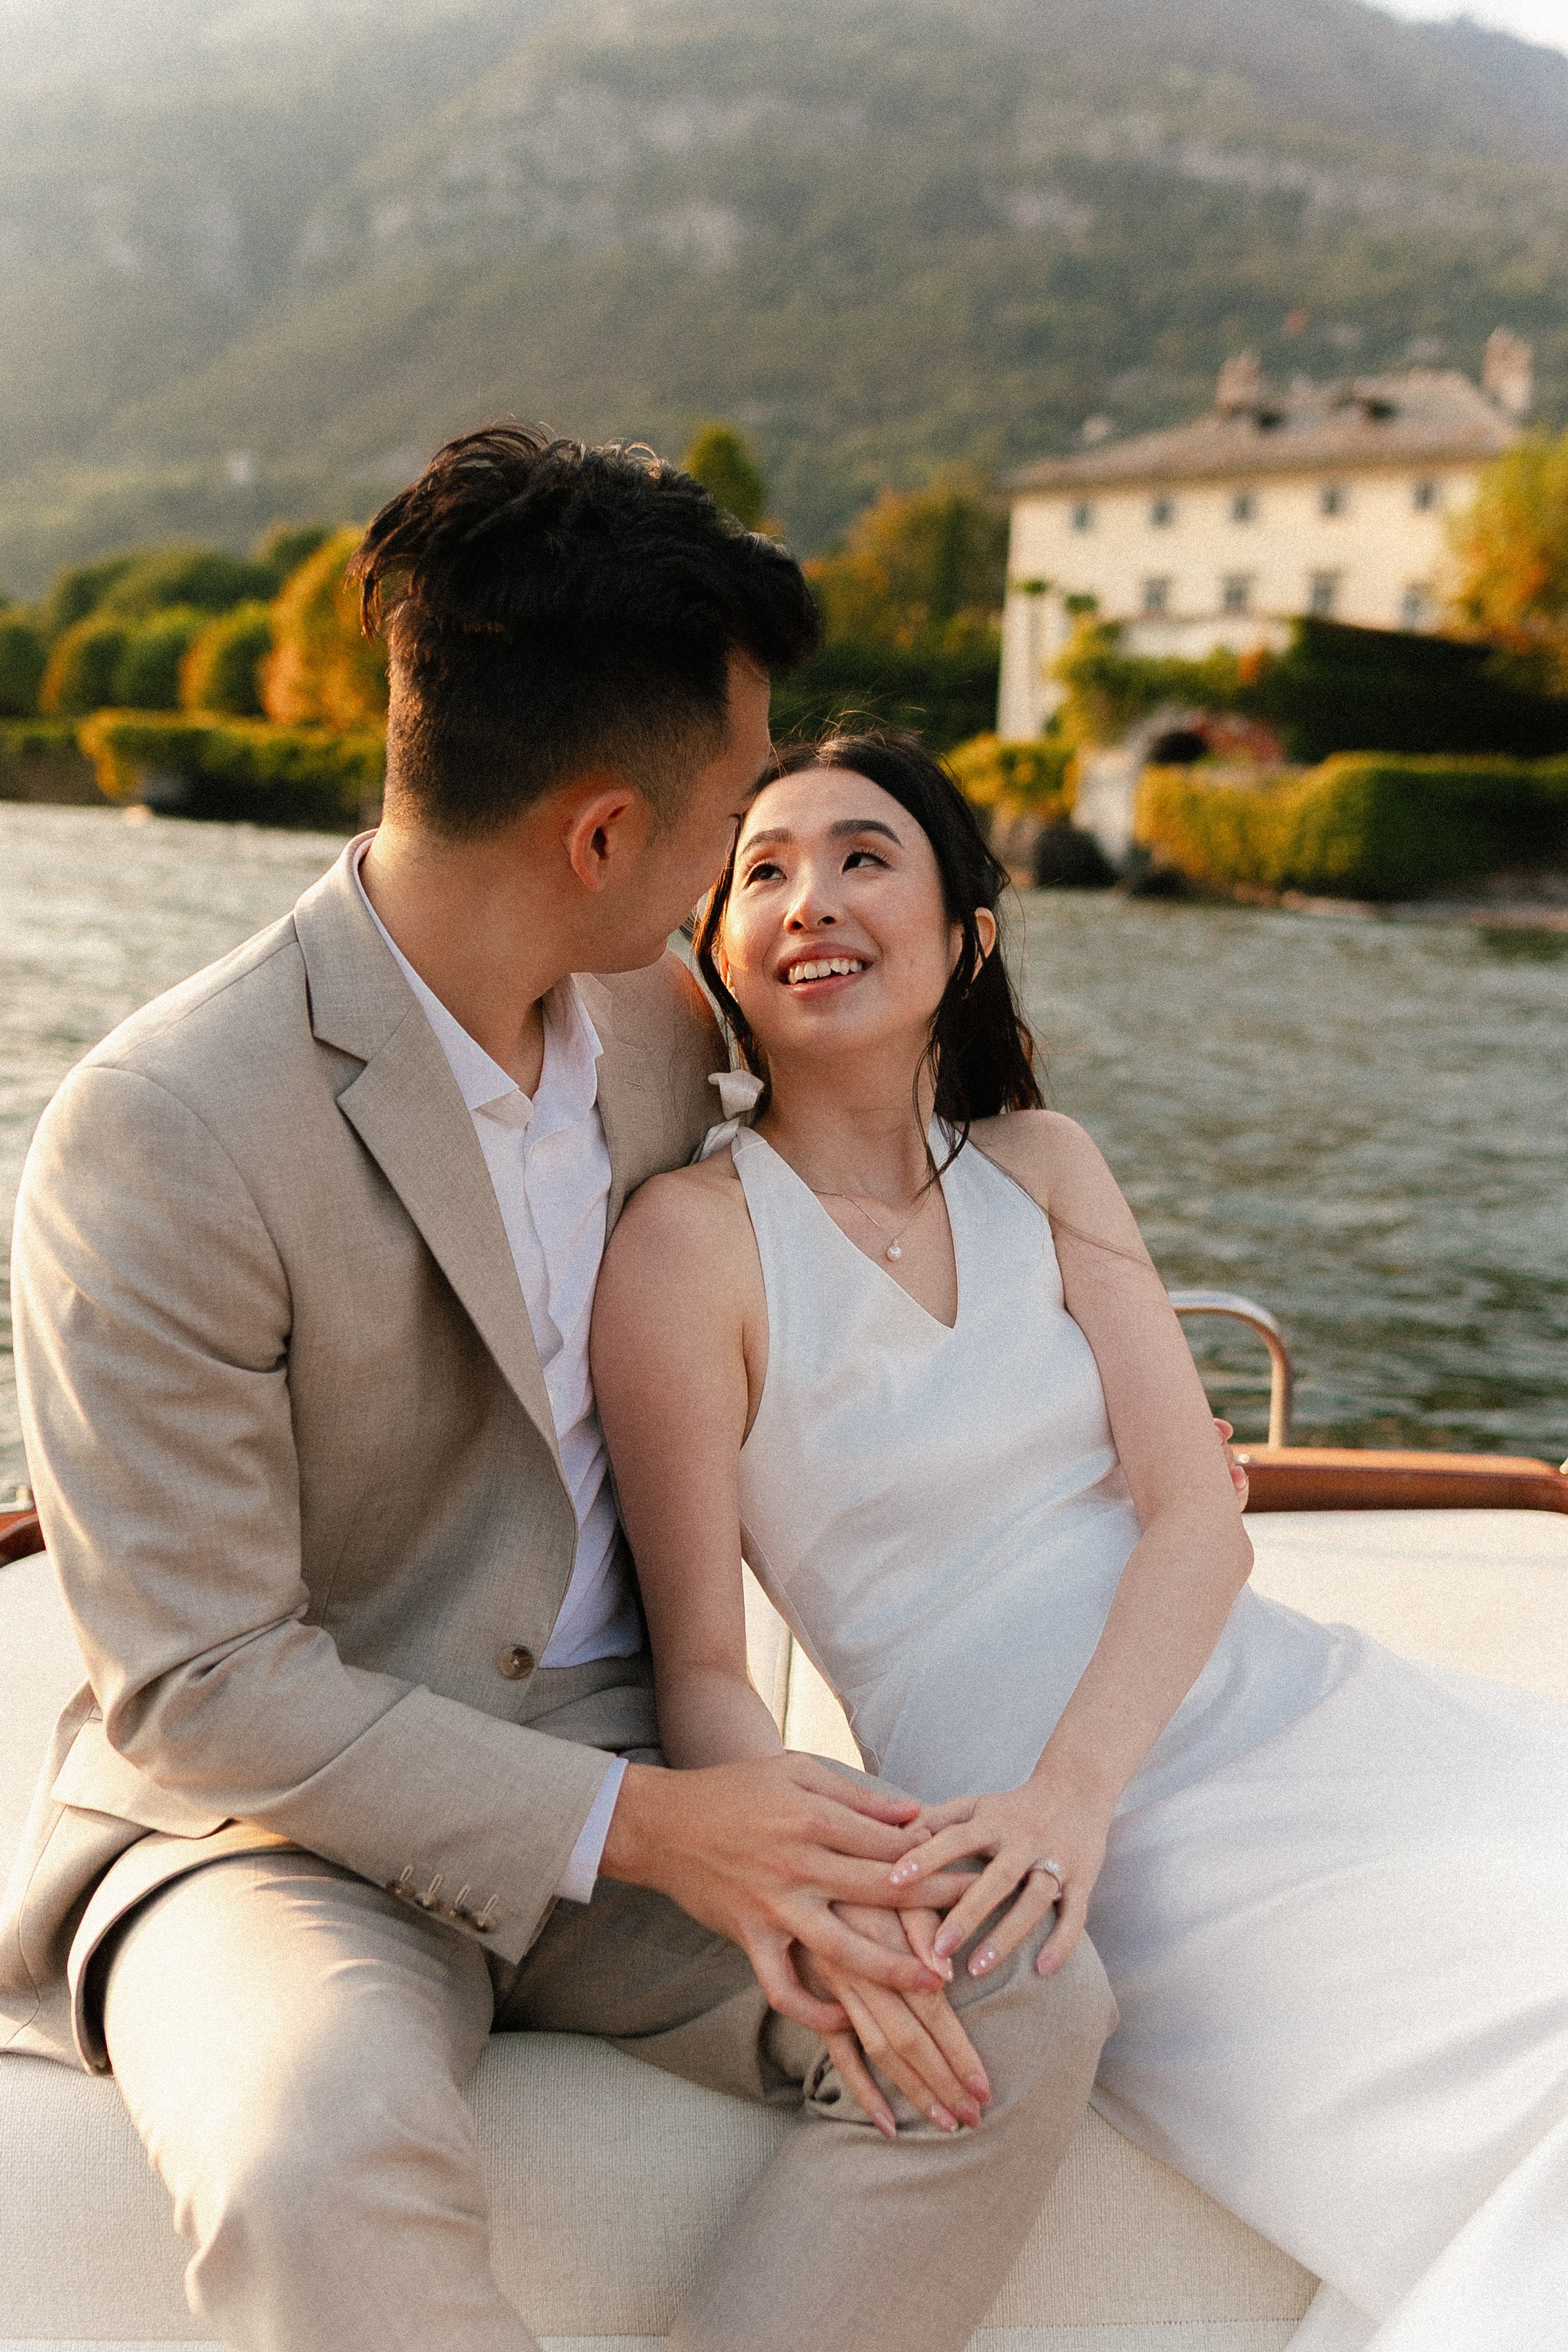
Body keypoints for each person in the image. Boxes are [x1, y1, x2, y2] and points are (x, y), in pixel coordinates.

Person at [0, 442, 1115, 2352]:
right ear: (605, 839)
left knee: (1018, 1999)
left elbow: (879, 1161)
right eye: (731, 819)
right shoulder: (163, 1125)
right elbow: (198, 1683)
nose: (743, 873)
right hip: (270, 1832)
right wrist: (657, 1828)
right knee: (310, 2153)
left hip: (651, 1767)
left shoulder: (663, 1038)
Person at [590, 727, 1568, 2352]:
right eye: (759, 871)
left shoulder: (1044, 1167)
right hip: (1028, 1838)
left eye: (860, 857)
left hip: (1251, 1721)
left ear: (964, 935)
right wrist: (815, 1894)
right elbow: (700, 1665)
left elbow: (1197, 1516)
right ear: (716, 959)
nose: (806, 898)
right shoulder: (686, 1246)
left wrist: (1077, 1788)